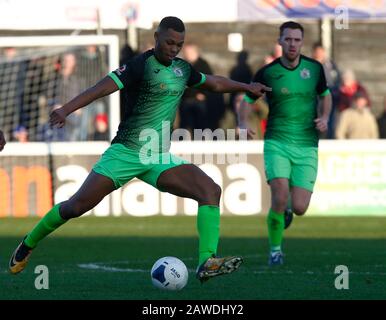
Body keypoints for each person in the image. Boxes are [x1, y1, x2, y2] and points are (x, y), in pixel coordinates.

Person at [9, 16, 270, 282]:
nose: (174, 48)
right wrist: (66, 109)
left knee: (210, 190)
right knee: (76, 207)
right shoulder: (139, 66)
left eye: (179, 44)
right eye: (169, 42)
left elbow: (213, 83)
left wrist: (246, 86)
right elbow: (101, 89)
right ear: (156, 37)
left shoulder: (182, 69)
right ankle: (28, 243)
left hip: (157, 156)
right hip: (126, 152)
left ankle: (207, 261)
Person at [237, 21, 331, 266]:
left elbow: (326, 95)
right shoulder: (268, 73)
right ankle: (275, 251)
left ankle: (288, 208)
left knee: (299, 207)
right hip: (277, 141)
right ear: (280, 42)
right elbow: (247, 99)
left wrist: (326, 117)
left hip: (307, 145)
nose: (292, 44)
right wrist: (242, 122)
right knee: (278, 195)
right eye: (287, 39)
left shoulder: (315, 69)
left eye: (296, 40)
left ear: (302, 42)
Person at [312, 42, 341, 139]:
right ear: (314, 53)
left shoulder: (330, 65)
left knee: (330, 122)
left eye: (322, 52)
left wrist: (336, 92)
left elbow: (337, 79)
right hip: (316, 98)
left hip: (331, 97)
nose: (320, 54)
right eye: (318, 52)